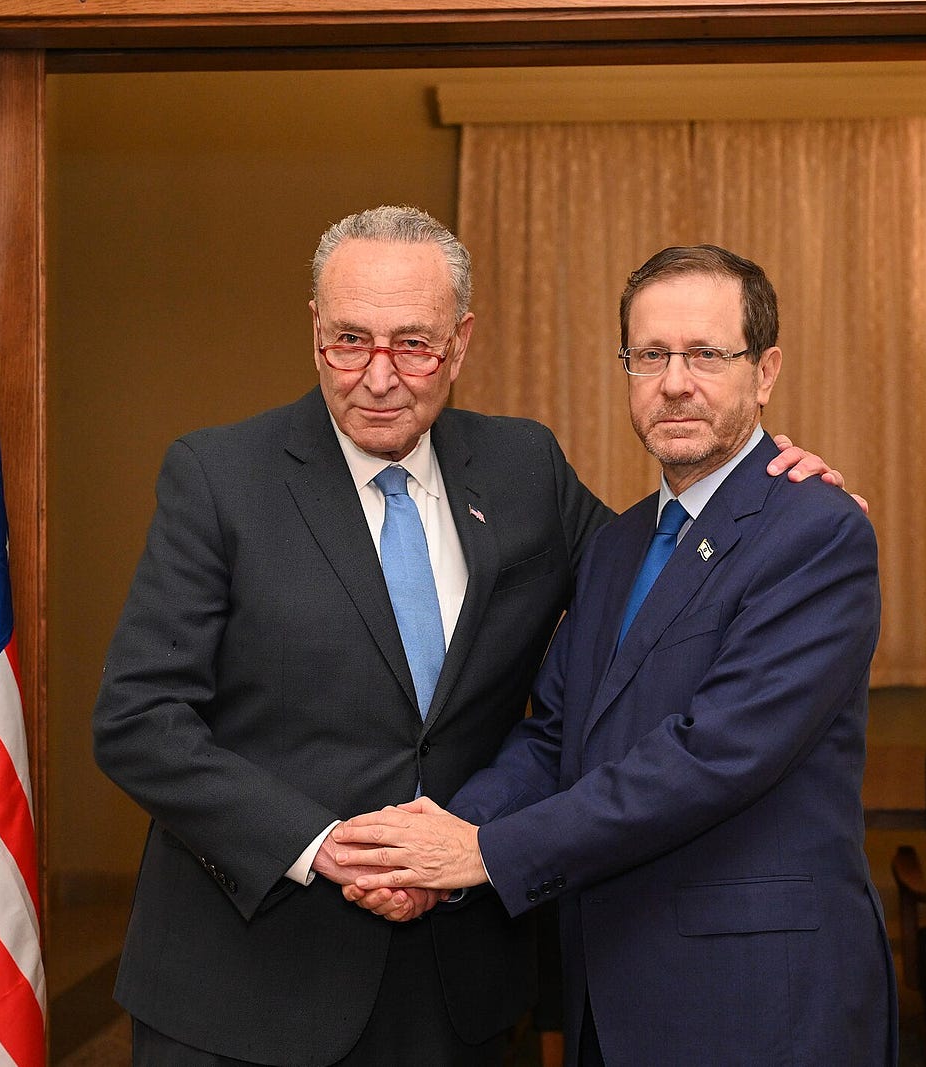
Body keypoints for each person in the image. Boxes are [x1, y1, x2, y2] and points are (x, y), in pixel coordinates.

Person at [92, 207, 846, 1066]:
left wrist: (781, 495)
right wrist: (320, 845)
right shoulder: (219, 477)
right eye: (350, 339)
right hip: (243, 987)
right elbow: (138, 719)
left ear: (460, 341)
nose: (379, 376)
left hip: (457, 994)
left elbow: (670, 578)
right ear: (314, 332)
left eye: (412, 343)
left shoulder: (523, 468)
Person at [335, 244, 896, 1066]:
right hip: (614, 993)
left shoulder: (817, 531)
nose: (675, 381)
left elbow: (710, 756)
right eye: (650, 355)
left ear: (765, 371)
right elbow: (555, 733)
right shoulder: (616, 545)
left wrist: (483, 854)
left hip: (762, 1002)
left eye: (707, 354)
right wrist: (452, 830)